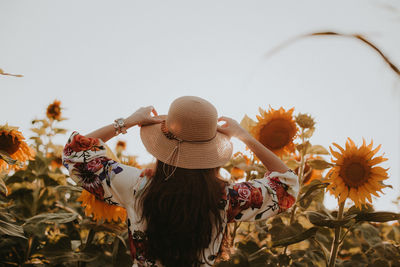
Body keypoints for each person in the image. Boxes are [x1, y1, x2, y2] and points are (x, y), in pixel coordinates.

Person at [62, 96, 299, 267]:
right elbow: (287, 185)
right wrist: (244, 136)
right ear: (211, 152)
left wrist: (128, 122)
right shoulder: (226, 198)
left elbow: (75, 153)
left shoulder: (137, 187)